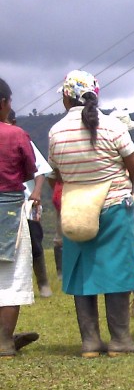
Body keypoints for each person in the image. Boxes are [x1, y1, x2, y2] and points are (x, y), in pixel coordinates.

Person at [48, 70, 134, 356]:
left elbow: (56, 174)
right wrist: (122, 187)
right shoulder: (113, 127)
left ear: (67, 98)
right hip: (115, 204)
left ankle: (90, 342)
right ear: (95, 94)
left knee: (81, 271)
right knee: (117, 269)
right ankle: (120, 340)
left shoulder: (56, 132)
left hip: (77, 207)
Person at [0, 78, 42, 357]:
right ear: (3, 104)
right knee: (11, 278)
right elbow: (30, 170)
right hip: (10, 208)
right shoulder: (16, 135)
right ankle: (4, 342)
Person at [7, 110, 53, 298]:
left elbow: (40, 171)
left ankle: (43, 283)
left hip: (28, 202)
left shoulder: (23, 141)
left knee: (35, 242)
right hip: (7, 204)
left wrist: (36, 192)